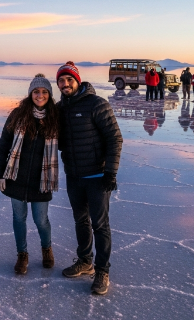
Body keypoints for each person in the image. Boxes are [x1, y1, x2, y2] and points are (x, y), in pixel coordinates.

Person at [55, 61, 123, 295]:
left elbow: (115, 138)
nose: (65, 84)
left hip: (96, 176)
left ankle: (102, 271)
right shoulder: (60, 108)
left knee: (100, 224)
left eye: (69, 80)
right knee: (80, 221)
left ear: (77, 81)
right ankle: (85, 261)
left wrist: (111, 172)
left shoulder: (97, 104)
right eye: (61, 81)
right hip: (73, 176)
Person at [0, 74, 59, 275]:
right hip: (16, 177)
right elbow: (4, 144)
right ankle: (22, 254)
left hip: (42, 180)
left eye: (44, 92)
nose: (40, 95)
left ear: (49, 94)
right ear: (30, 93)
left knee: (41, 220)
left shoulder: (55, 118)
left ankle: (46, 248)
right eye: (36, 91)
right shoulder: (17, 115)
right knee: (19, 218)